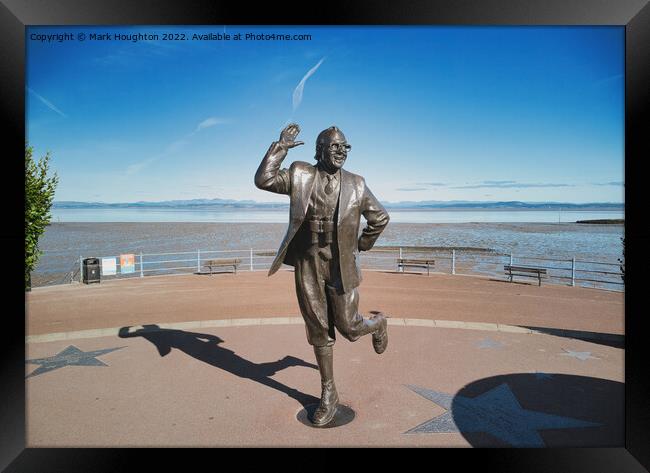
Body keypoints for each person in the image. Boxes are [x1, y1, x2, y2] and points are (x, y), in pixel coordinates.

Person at [254, 123, 390, 426]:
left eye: (346, 147)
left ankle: (378, 323)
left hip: (340, 264)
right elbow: (263, 180)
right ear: (320, 150)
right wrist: (281, 147)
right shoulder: (301, 174)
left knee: (350, 328)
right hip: (308, 261)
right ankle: (329, 393)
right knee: (318, 328)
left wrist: (361, 245)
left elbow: (380, 218)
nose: (342, 151)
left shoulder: (356, 184)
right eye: (335, 146)